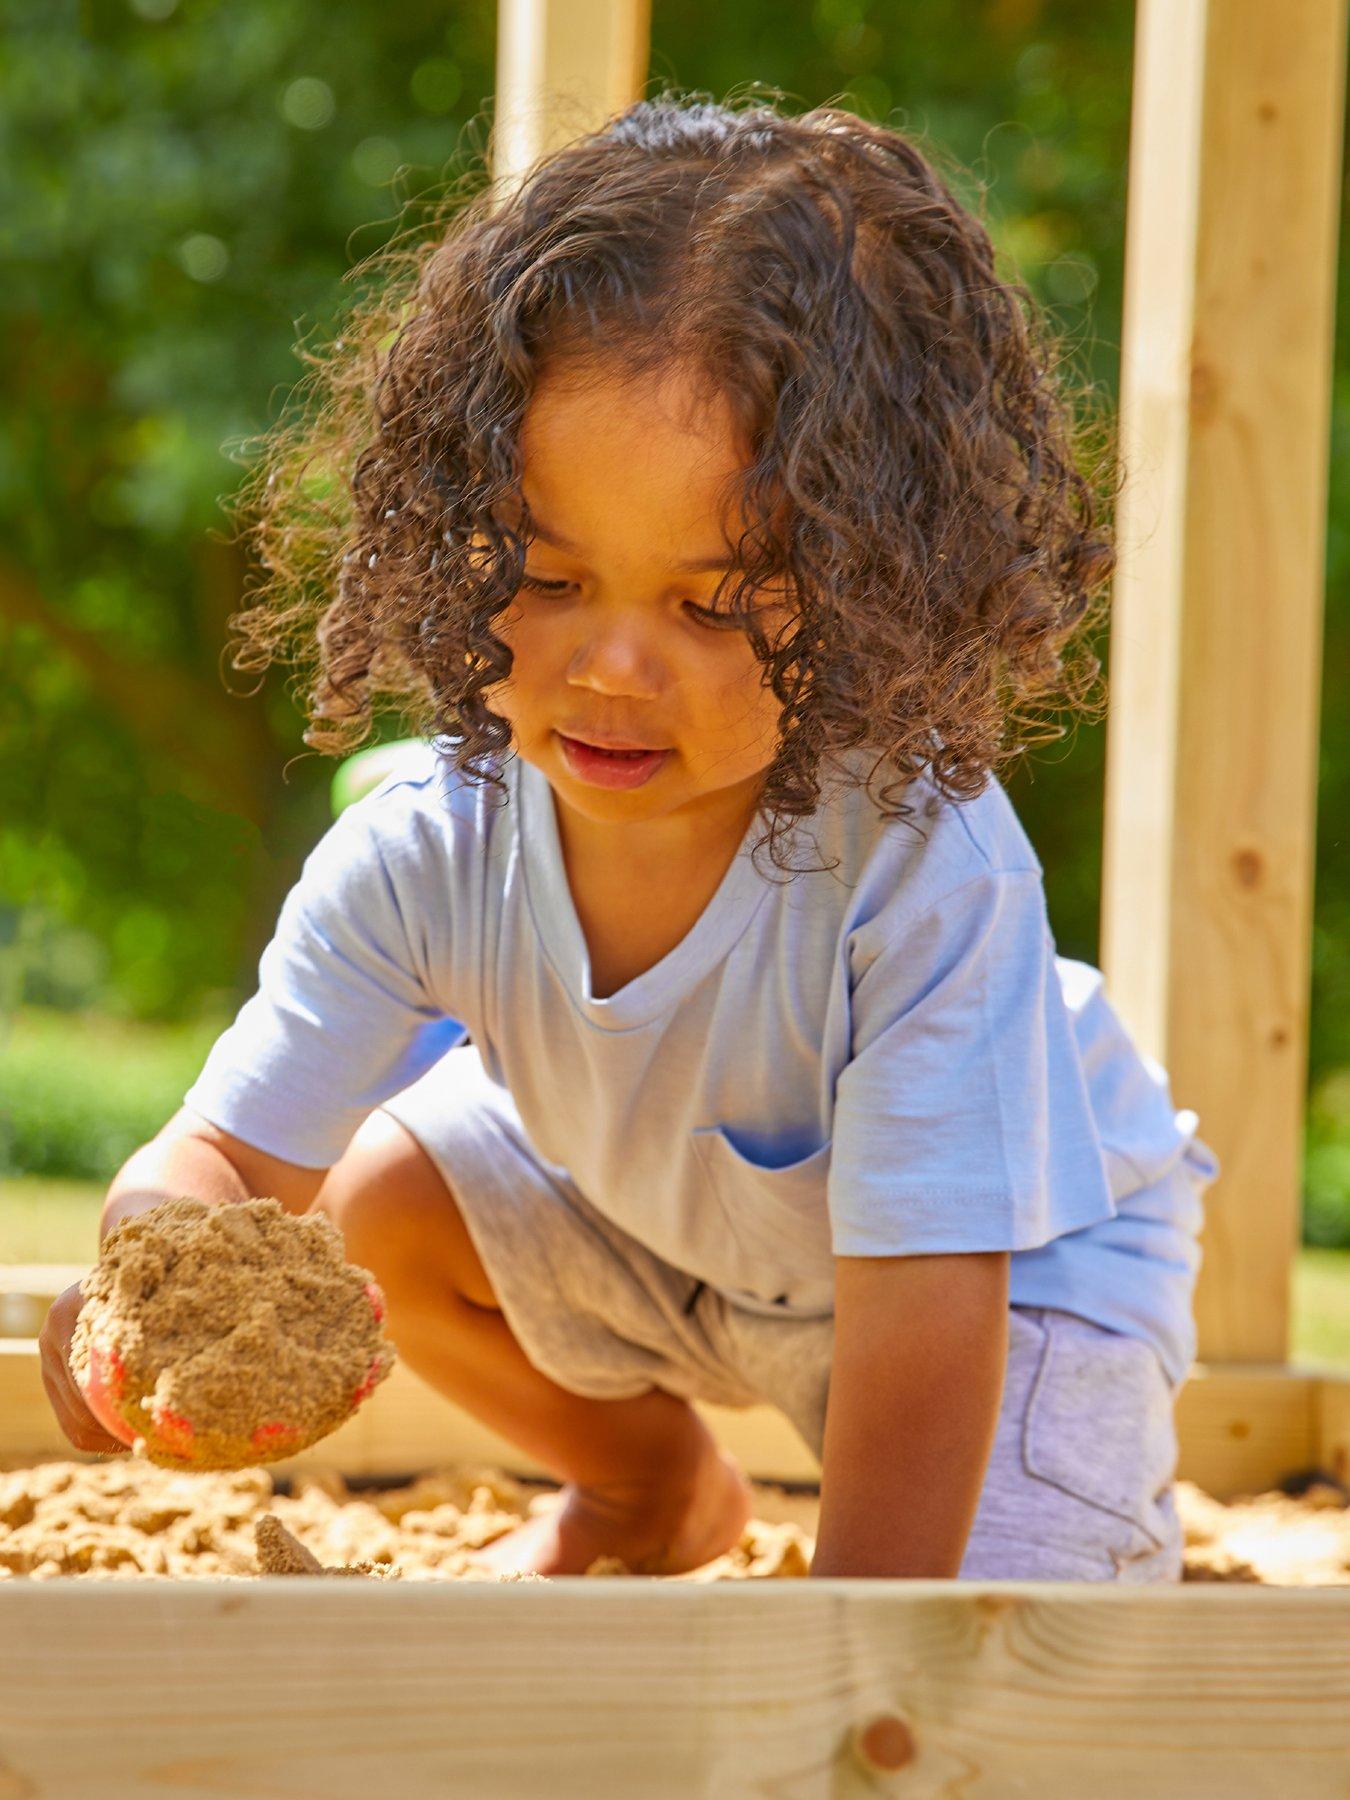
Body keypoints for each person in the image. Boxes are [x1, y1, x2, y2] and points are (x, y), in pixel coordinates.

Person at [41, 92, 1219, 1581]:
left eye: (712, 605)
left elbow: (930, 1305)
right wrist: (149, 1275)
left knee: (1004, 1632)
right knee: (380, 1202)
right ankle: (649, 1488)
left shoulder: (922, 864)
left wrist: (857, 1649)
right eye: (545, 580)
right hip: (683, 1251)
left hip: (1019, 1282)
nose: (609, 666)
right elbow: (223, 1155)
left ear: (878, 589)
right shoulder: (430, 846)